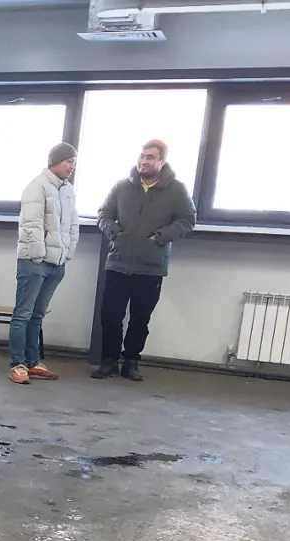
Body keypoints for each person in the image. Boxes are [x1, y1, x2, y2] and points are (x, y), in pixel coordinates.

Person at [94, 139, 195, 381]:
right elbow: (103, 214)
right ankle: (109, 361)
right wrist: (115, 233)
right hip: (118, 262)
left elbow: (188, 219)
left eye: (150, 157)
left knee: (140, 319)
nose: (143, 161)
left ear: (162, 161)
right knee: (110, 316)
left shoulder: (177, 190)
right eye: (142, 156)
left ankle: (131, 362)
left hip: (151, 266)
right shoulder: (121, 187)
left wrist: (160, 237)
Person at [9, 142, 79, 385]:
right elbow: (31, 224)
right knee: (23, 314)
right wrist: (38, 255)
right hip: (34, 262)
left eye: (74, 162)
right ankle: (17, 364)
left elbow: (72, 224)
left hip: (56, 263)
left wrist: (67, 252)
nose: (72, 166)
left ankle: (33, 362)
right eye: (69, 161)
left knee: (37, 315)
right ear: (55, 162)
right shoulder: (36, 186)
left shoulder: (68, 190)